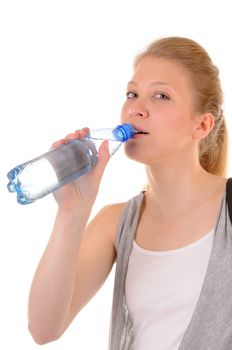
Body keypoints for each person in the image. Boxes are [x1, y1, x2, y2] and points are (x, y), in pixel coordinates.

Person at [28, 36, 231, 349]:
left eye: (161, 95)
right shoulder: (117, 222)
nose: (136, 108)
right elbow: (43, 329)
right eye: (132, 93)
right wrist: (73, 210)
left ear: (202, 125)